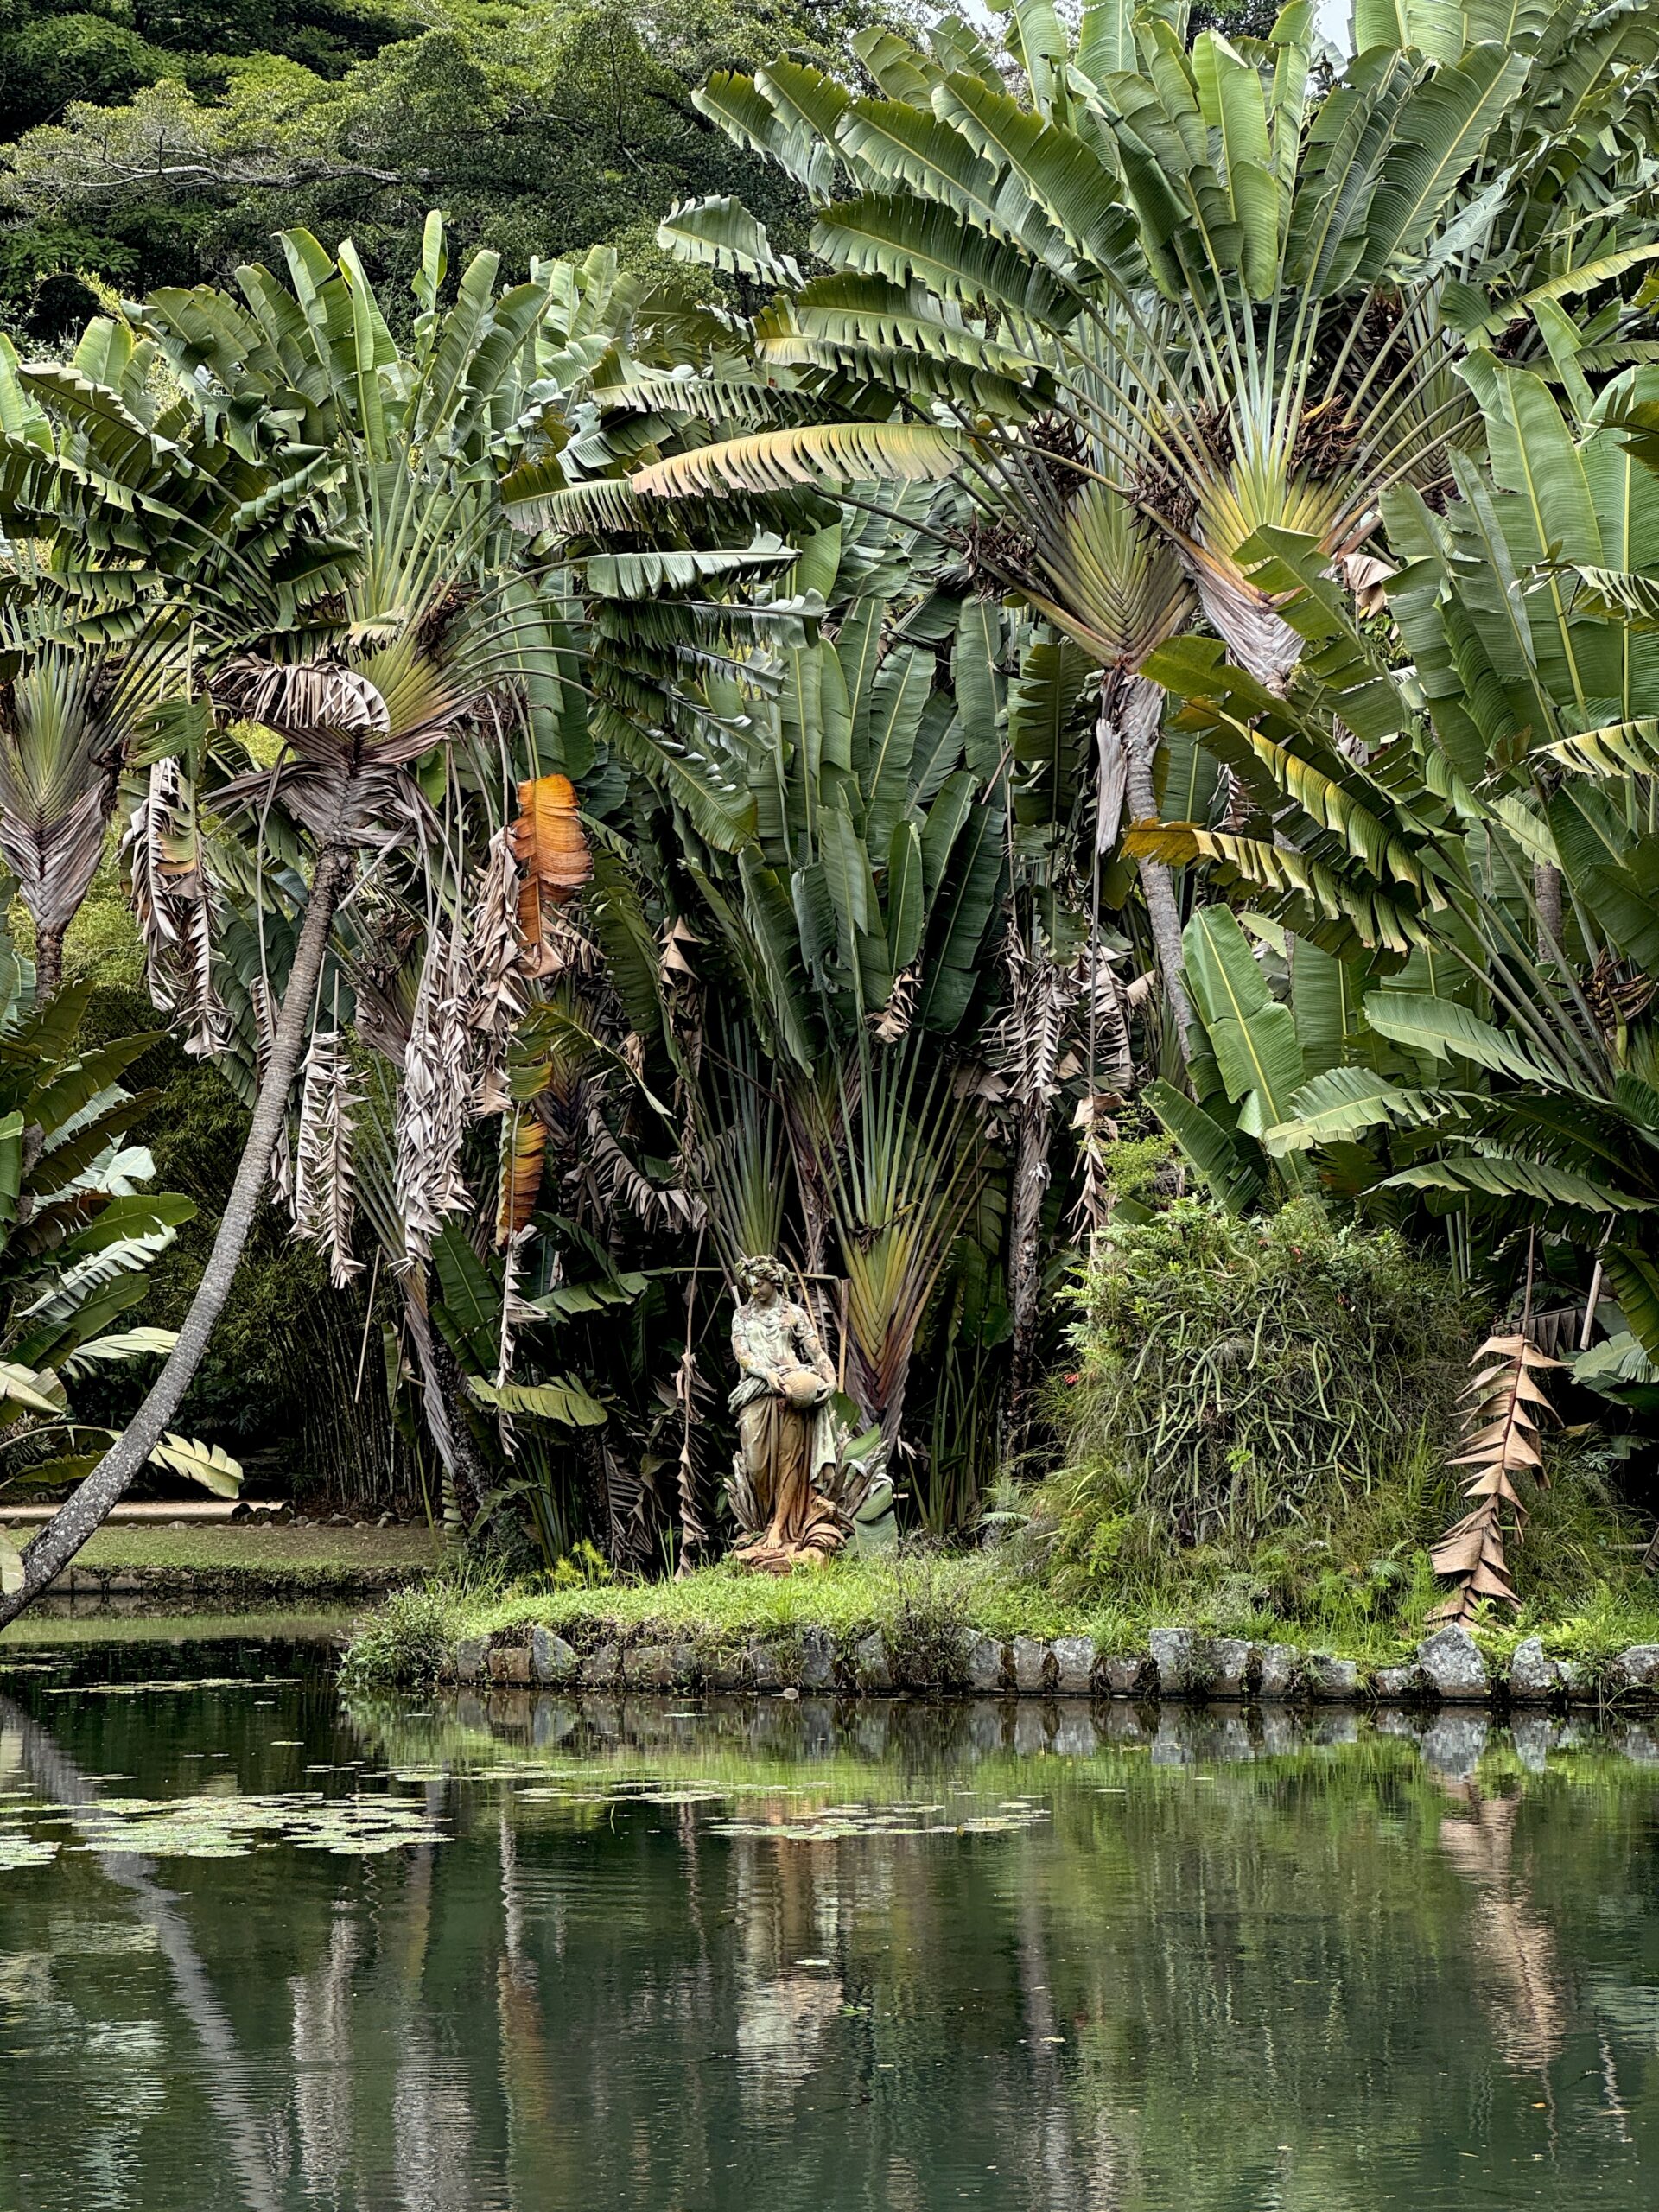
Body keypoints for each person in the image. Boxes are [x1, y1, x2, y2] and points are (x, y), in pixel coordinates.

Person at [728, 1255, 847, 1573]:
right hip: (757, 1391)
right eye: (750, 1283)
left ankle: (780, 1528)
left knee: (789, 1461)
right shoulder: (741, 1317)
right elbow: (743, 1356)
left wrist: (831, 1381)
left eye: (760, 1283)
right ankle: (767, 1520)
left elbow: (816, 1352)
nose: (755, 1289)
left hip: (793, 1392)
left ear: (774, 1282)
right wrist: (767, 1375)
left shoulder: (793, 1315)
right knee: (757, 1465)